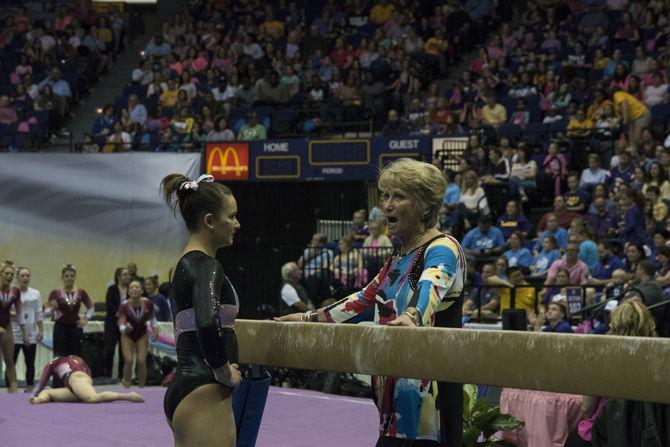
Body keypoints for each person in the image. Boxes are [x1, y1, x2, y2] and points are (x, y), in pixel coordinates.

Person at [277, 158, 467, 446]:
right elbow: (362, 299)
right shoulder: (398, 258)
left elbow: (432, 283)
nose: (386, 205)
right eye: (386, 195)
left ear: (426, 205)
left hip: (429, 405)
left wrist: (413, 316)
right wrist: (307, 319)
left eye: (399, 196)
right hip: (394, 399)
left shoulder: (443, 247)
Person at [161, 173, 242, 446]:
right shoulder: (205, 265)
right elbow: (207, 323)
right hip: (204, 389)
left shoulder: (186, 263)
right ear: (209, 221)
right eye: (231, 217)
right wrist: (224, 372)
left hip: (187, 387)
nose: (236, 224)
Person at [30, 355, 144, 404]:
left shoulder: (51, 364)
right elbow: (88, 371)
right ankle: (38, 400)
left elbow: (40, 383)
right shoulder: (76, 358)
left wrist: (34, 393)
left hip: (76, 378)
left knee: (92, 398)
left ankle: (128, 396)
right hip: (78, 381)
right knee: (47, 392)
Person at [117, 279, 159, 388]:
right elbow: (120, 322)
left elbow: (153, 318)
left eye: (137, 287)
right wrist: (125, 328)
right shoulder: (124, 305)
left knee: (141, 361)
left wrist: (155, 330)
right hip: (127, 335)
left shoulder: (148, 303)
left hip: (142, 334)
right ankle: (126, 384)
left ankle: (142, 387)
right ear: (129, 292)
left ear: (141, 291)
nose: (134, 289)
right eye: (131, 287)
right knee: (129, 360)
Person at [47, 265, 93, 357]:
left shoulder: (81, 292)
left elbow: (91, 307)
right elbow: (46, 313)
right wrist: (52, 308)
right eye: (67, 276)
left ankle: (75, 372)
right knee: (59, 356)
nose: (69, 278)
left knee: (76, 356)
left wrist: (85, 319)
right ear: (62, 277)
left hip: (76, 328)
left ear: (75, 277)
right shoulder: (55, 292)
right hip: (60, 327)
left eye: (72, 276)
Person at [11, 267, 43, 393]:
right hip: (14, 333)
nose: (25, 278)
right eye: (22, 276)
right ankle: (11, 389)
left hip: (30, 334)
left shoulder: (35, 293)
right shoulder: (11, 293)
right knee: (11, 363)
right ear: (17, 278)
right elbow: (5, 311)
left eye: (27, 276)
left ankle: (30, 388)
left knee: (30, 363)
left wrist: (40, 330)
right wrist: (16, 315)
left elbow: (38, 312)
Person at [0, 261, 28, 393]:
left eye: (11, 274)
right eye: (6, 273)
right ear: (1, 274)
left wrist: (24, 332)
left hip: (7, 326)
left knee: (10, 361)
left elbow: (19, 312)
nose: (9, 276)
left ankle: (14, 392)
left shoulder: (15, 291)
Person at [104, 267, 129, 378]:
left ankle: (121, 376)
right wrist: (120, 315)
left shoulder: (131, 290)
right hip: (112, 323)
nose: (128, 276)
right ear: (118, 276)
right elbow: (109, 305)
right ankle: (107, 376)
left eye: (128, 274)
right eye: (125, 274)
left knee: (123, 351)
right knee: (109, 350)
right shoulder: (112, 289)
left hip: (126, 324)